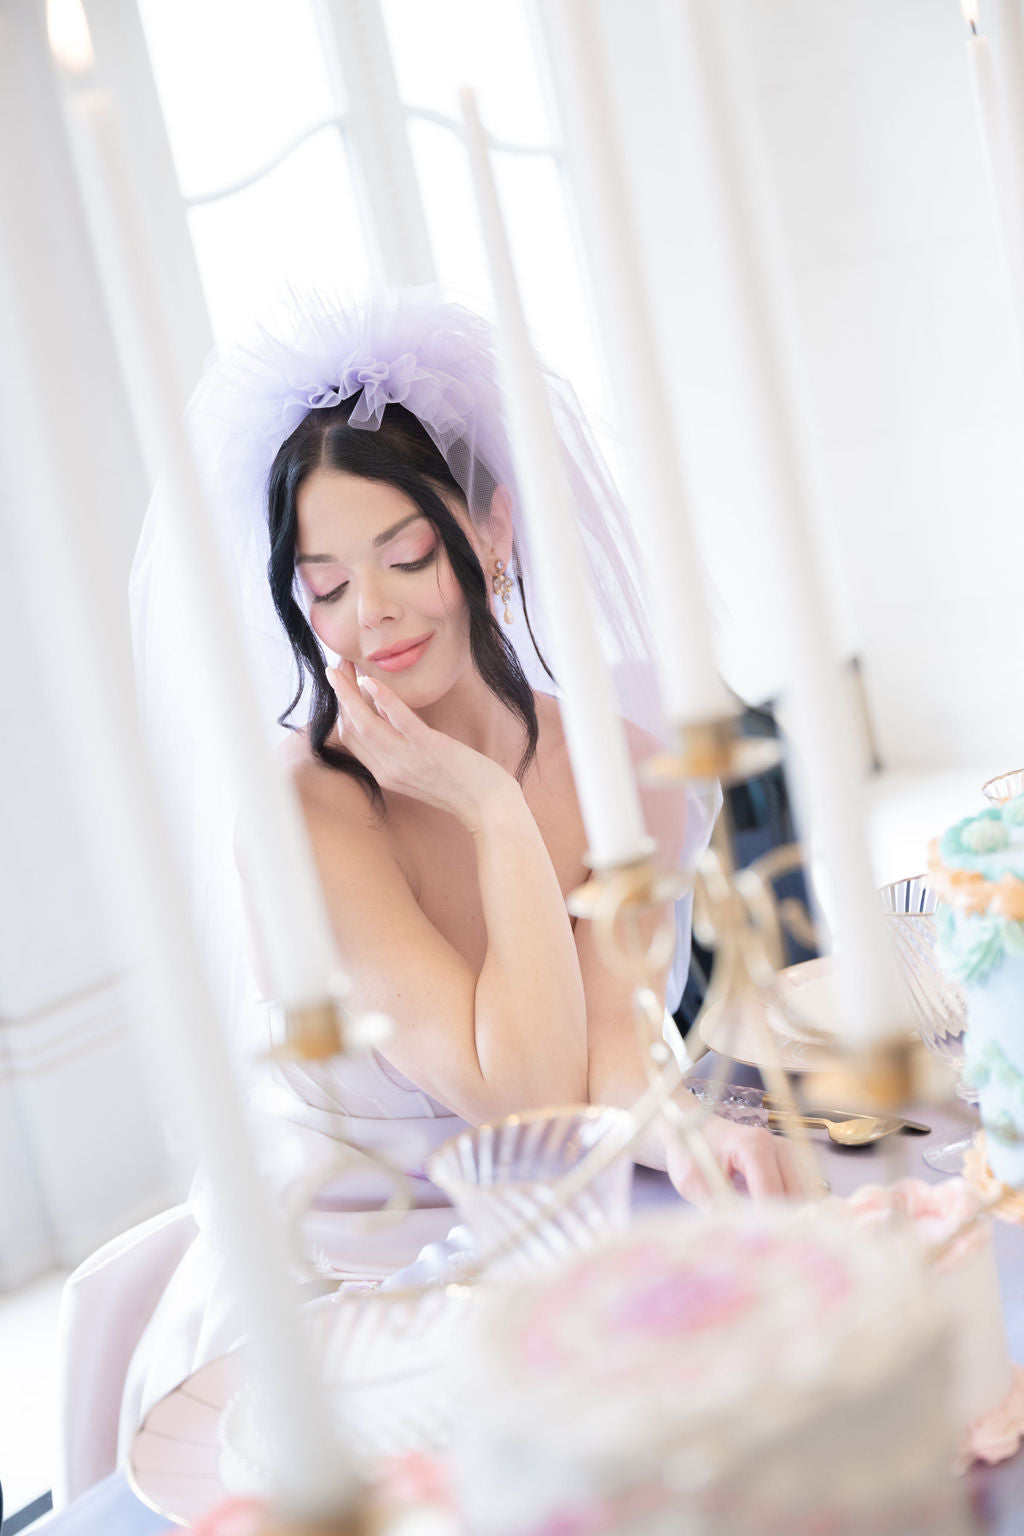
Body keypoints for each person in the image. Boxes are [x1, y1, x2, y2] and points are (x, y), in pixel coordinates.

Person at [57, 289, 797, 1500]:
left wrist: (688, 1127)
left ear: (492, 534)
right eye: (326, 585)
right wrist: (493, 811)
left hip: (548, 1220)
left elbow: (603, 1044)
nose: (373, 616)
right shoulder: (306, 811)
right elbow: (513, 1094)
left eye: (404, 557)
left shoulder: (604, 753)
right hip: (347, 1285)